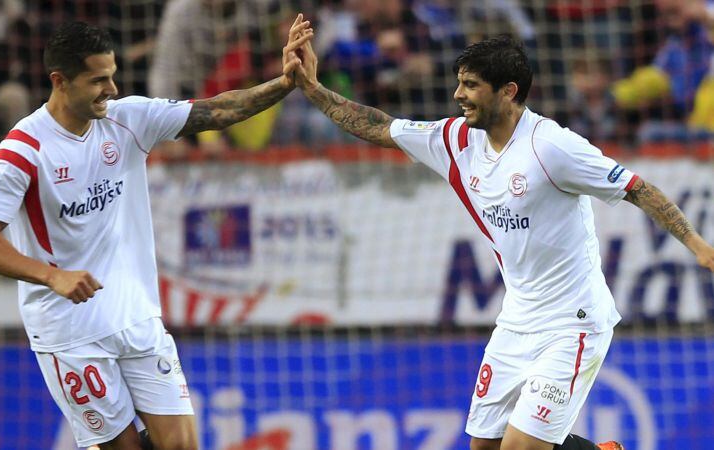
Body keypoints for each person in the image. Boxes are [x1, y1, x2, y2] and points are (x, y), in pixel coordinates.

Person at [292, 27, 714, 450]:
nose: (458, 94)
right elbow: (378, 127)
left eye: (471, 85)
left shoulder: (552, 147)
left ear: (508, 91)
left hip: (573, 323)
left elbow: (637, 188)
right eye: (459, 82)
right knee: (485, 448)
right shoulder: (455, 140)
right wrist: (313, 89)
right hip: (516, 321)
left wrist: (699, 247)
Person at [0, 18, 313, 450]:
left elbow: (218, 110)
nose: (111, 89)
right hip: (69, 331)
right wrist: (52, 276)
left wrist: (283, 83)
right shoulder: (23, 150)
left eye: (112, 76)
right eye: (98, 80)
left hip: (137, 316)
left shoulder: (127, 119)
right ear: (60, 81)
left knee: (183, 445)